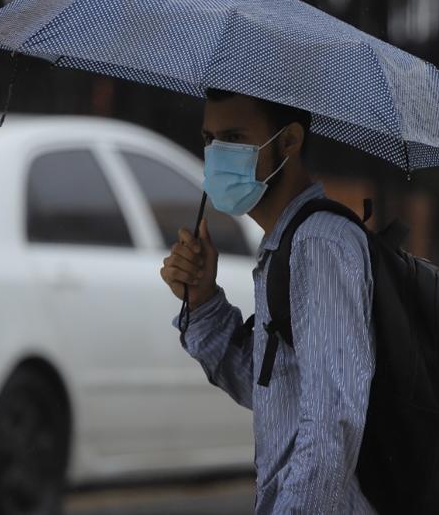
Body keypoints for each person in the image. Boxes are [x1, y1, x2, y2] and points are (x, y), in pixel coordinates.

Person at [159, 88, 376, 514]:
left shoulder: (318, 245)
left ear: (289, 141)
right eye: (209, 139)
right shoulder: (287, 244)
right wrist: (203, 302)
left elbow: (331, 422)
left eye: (235, 138)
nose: (218, 154)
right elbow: (272, 390)